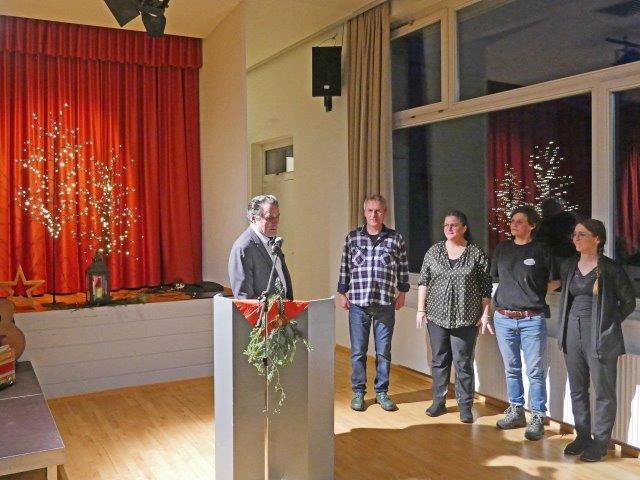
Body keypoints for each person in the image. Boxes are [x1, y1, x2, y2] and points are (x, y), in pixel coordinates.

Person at [557, 219, 635, 462]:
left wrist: (609, 323)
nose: (576, 238)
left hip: (600, 334)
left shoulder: (610, 268)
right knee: (577, 388)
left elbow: (628, 302)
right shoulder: (569, 265)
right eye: (575, 234)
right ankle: (583, 436)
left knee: (603, 391)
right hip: (572, 330)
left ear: (597, 239)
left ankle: (601, 442)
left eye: (582, 234)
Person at [416, 210, 493, 424]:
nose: (449, 228)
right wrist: (421, 309)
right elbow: (423, 281)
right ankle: (438, 402)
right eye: (446, 225)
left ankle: (465, 406)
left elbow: (485, 288)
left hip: (465, 318)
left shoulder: (476, 254)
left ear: (464, 228)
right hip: (436, 316)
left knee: (463, 362)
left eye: (454, 225)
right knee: (439, 360)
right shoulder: (434, 251)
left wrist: (485, 314)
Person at [491, 205, 560, 441]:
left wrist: (537, 291)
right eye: (512, 220)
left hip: (531, 319)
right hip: (503, 318)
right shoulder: (503, 248)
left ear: (532, 225)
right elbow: (496, 277)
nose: (514, 224)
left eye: (520, 221)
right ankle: (516, 411)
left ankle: (538, 416)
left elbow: (557, 280)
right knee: (511, 368)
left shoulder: (542, 250)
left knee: (535, 371)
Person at [337, 194, 409, 412]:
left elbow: (403, 268)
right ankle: (358, 392)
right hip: (358, 304)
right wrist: (342, 292)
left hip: (385, 304)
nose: (374, 215)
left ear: (384, 213)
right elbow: (345, 266)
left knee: (383, 352)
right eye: (370, 211)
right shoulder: (353, 238)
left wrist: (403, 292)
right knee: (358, 352)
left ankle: (382, 392)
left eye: (378, 211)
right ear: (364, 213)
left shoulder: (395, 239)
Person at [228, 194, 293, 300]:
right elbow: (244, 297)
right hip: (262, 311)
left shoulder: (274, 240)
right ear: (254, 218)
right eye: (269, 218)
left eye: (277, 217)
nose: (275, 222)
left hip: (284, 308)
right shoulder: (244, 248)